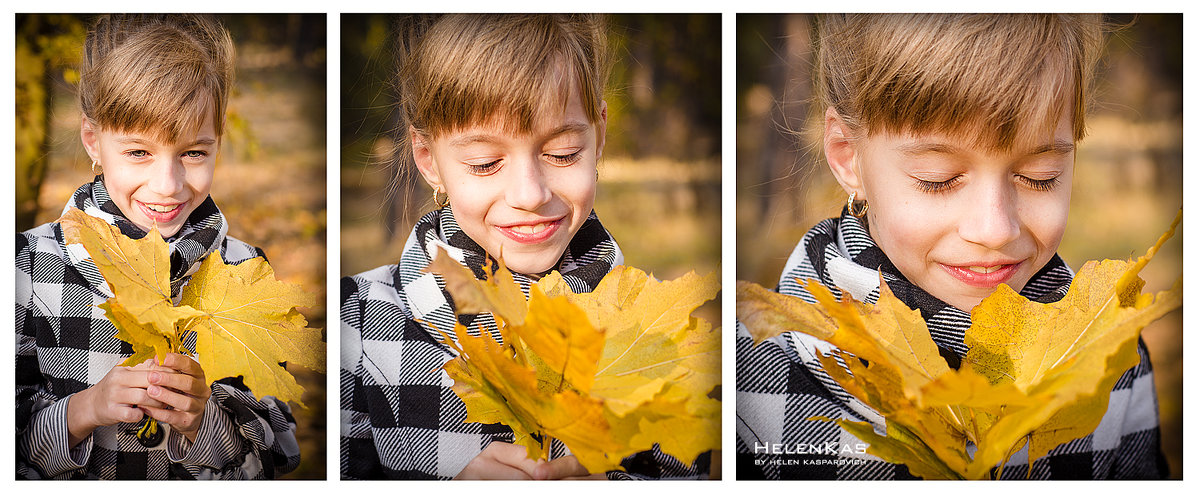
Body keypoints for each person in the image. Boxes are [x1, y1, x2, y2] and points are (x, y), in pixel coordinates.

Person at [736, 14, 1167, 479]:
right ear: (848, 156)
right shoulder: (754, 368)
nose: (995, 228)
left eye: (1039, 178)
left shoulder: (1105, 349)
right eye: (938, 181)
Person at [340, 14, 711, 480]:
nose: (530, 194)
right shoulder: (356, 321)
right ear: (428, 159)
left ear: (599, 137)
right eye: (484, 162)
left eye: (562, 154)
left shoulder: (655, 329)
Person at [16, 14, 300, 479]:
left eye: (193, 153)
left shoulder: (244, 270)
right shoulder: (25, 267)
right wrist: (84, 410)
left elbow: (274, 457)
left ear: (217, 145)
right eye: (138, 152)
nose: (167, 186)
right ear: (93, 140)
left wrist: (203, 421)